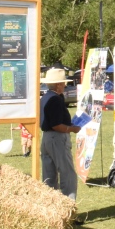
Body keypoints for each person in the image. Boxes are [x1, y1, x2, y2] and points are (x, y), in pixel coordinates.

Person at [39, 67, 81, 201]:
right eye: (63, 83)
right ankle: (68, 208)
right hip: (57, 138)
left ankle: (51, 208)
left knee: (49, 175)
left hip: (46, 138)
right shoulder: (55, 100)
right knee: (68, 174)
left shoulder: (45, 97)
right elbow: (57, 125)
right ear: (58, 85)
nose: (65, 85)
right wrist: (72, 129)